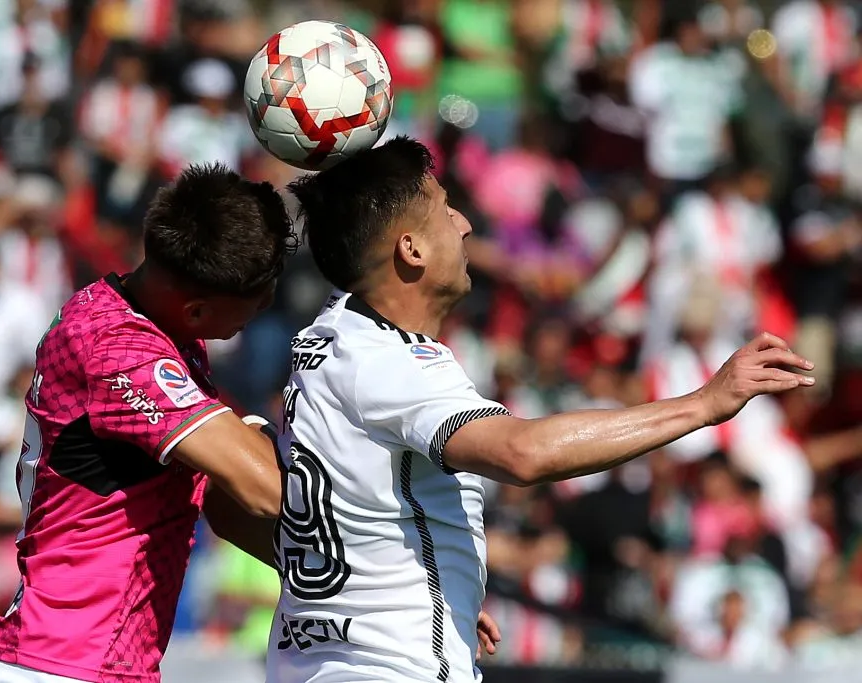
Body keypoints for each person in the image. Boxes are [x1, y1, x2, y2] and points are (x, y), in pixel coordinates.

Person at [261, 137, 814, 683]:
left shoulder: (328, 340)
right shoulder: (391, 362)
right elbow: (522, 453)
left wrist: (433, 589)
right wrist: (703, 404)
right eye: (446, 211)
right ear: (412, 249)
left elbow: (302, 507)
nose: (465, 225)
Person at [0, 163, 297, 683]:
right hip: (62, 666)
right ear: (196, 310)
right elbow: (266, 489)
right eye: (258, 298)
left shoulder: (153, 327)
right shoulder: (121, 351)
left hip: (83, 664)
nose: (268, 305)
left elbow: (224, 501)